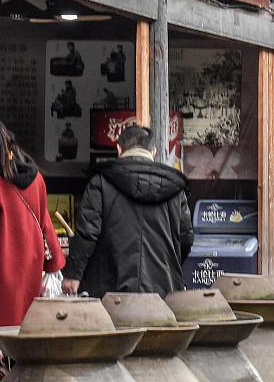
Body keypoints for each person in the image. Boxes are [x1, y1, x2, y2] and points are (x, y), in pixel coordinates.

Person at [62, 123, 193, 298]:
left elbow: (87, 234)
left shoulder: (100, 182)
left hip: (109, 292)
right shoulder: (176, 189)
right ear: (153, 152)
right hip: (163, 293)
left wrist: (73, 274)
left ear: (118, 149)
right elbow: (186, 238)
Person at [0, 120, 62, 329]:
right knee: (23, 330)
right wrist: (54, 263)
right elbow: (45, 223)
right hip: (30, 267)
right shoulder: (36, 178)